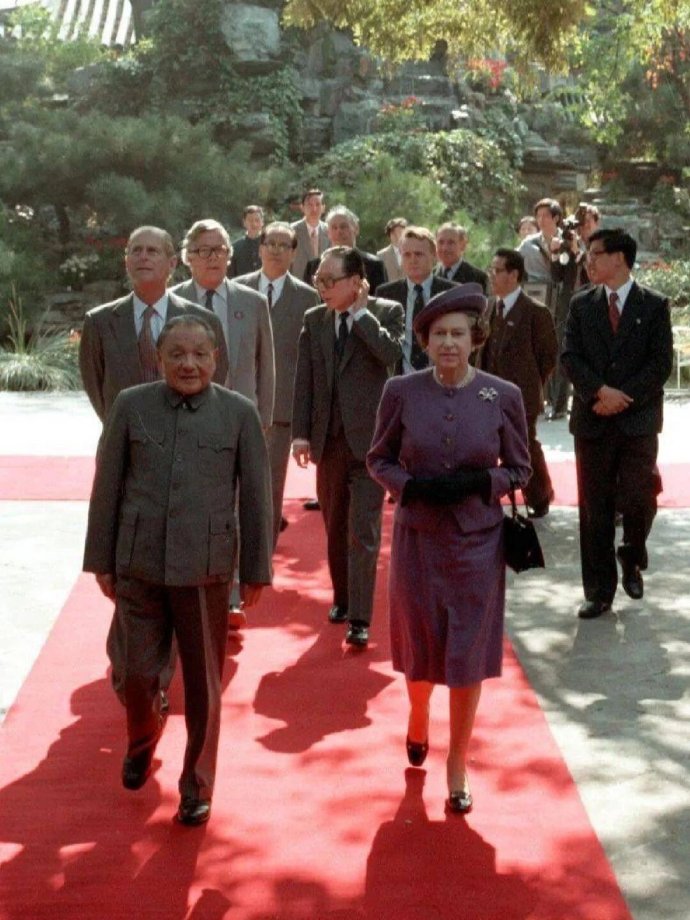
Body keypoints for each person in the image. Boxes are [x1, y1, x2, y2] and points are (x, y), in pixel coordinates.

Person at [83, 315, 273, 825]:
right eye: (177, 354)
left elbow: (256, 498)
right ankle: (143, 737)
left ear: (216, 359)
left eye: (199, 354)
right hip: (139, 562)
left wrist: (256, 570)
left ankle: (197, 786)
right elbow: (107, 487)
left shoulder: (239, 413)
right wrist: (100, 560)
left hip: (205, 568)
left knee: (204, 685)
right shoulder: (131, 406)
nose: (189, 364)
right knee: (135, 674)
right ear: (158, 359)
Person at [366, 283, 531, 814]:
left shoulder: (503, 395)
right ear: (425, 341)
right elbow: (378, 458)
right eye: (439, 335)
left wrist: (484, 482)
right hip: (418, 538)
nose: (449, 344)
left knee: (466, 653)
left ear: (475, 339)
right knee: (420, 648)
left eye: (459, 334)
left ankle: (457, 762)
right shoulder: (401, 391)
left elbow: (521, 468)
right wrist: (409, 487)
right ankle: (418, 715)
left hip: (477, 543)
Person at [292, 246, 404, 647]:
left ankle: (360, 617)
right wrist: (301, 433)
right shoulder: (314, 319)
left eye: (329, 280)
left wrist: (360, 316)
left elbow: (390, 355)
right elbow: (304, 379)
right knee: (335, 526)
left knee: (364, 531)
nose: (321, 288)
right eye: (318, 280)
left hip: (370, 443)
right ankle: (342, 598)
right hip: (329, 441)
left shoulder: (386, 312)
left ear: (356, 283)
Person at [561, 228, 673, 619]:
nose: (588, 260)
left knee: (640, 496)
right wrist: (598, 392)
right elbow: (570, 357)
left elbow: (660, 363)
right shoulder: (581, 305)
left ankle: (632, 553)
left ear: (619, 258)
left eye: (595, 253)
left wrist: (622, 397)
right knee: (595, 508)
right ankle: (598, 591)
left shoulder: (654, 305)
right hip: (593, 418)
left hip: (638, 419)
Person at [79, 225, 228, 423]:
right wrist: (118, 427)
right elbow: (94, 385)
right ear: (127, 262)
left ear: (172, 264)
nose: (143, 257)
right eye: (136, 251)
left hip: (188, 431)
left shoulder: (205, 321)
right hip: (125, 434)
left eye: (152, 251)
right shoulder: (99, 322)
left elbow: (215, 378)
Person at [236, 221, 320, 546]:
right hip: (238, 403)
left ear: (294, 254)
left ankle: (262, 558)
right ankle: (233, 556)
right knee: (234, 485)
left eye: (284, 245)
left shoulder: (308, 298)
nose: (275, 250)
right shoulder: (236, 290)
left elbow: (312, 361)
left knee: (269, 488)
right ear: (260, 248)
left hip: (281, 410)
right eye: (270, 243)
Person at [172, 218, 275, 429]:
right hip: (182, 419)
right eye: (204, 251)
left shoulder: (254, 302)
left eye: (220, 250)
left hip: (239, 419)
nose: (214, 257)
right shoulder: (171, 302)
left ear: (228, 255)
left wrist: (263, 422)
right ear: (188, 257)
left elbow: (266, 367)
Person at [479, 248, 558, 517]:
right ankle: (489, 494)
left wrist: (530, 383)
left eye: (497, 270)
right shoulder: (489, 307)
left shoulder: (535, 312)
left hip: (521, 395)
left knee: (523, 446)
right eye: (491, 270)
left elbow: (548, 357)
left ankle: (539, 495)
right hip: (486, 393)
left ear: (514, 275)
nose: (492, 276)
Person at [377, 226, 456, 374]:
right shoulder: (386, 294)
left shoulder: (451, 292)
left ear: (434, 256)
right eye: (407, 255)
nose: (413, 260)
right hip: (399, 378)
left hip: (441, 377)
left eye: (419, 254)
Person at [548, 203, 601, 419]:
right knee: (564, 352)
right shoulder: (569, 243)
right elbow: (557, 276)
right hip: (569, 305)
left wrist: (579, 251)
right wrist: (555, 253)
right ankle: (559, 406)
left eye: (587, 222)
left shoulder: (602, 245)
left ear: (596, 223)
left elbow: (595, 273)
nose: (583, 227)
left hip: (594, 304)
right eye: (581, 223)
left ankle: (591, 400)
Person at [304, 206, 387, 292]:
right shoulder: (314, 267)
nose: (339, 231)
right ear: (328, 233)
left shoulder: (374, 265)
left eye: (343, 227)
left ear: (356, 229)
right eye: (334, 228)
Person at [435, 222, 488, 293]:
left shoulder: (478, 278)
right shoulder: (429, 276)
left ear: (463, 246)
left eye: (451, 243)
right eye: (441, 242)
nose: (445, 248)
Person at [290, 188, 329, 281]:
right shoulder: (292, 231)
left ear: (323, 208)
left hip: (324, 284)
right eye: (310, 205)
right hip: (298, 283)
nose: (314, 209)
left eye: (318, 204)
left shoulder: (329, 231)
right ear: (302, 207)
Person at [228, 205, 264, 278]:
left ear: (262, 222)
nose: (254, 224)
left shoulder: (269, 245)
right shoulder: (235, 247)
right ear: (244, 223)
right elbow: (231, 275)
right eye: (250, 220)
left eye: (257, 220)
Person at [377, 217, 408, 282]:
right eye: (394, 234)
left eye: (400, 233)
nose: (397, 236)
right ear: (389, 235)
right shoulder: (381, 255)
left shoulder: (413, 253)